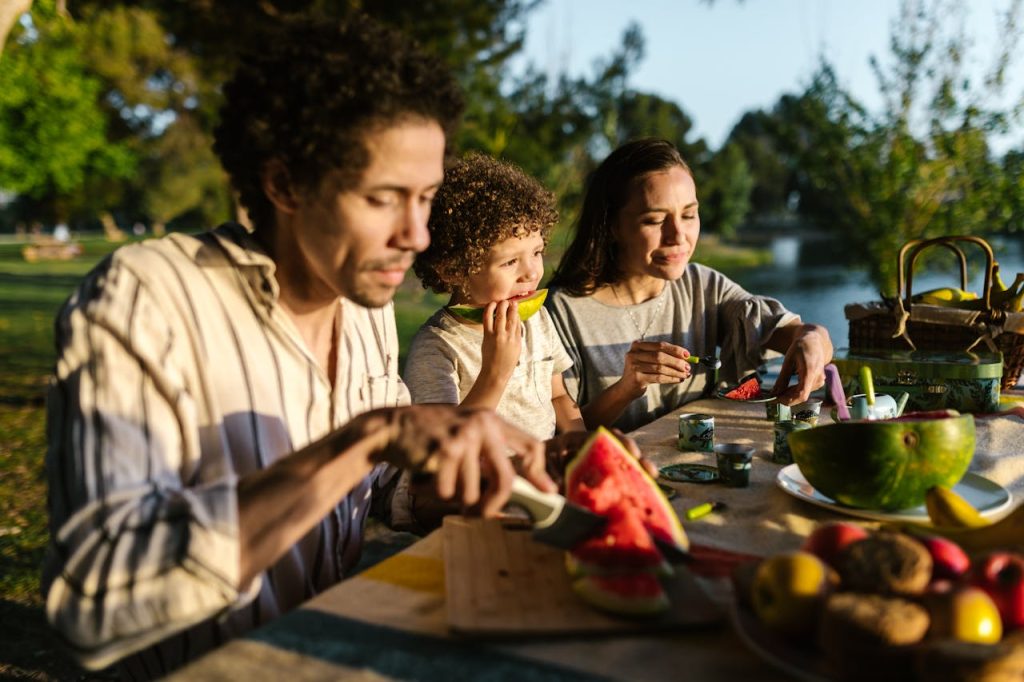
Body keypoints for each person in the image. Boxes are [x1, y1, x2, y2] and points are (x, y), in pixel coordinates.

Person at [42, 16, 558, 678]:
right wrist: (365, 438)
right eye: (383, 199)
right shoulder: (142, 302)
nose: (418, 236)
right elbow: (95, 602)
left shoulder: (362, 302)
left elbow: (383, 487)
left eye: (425, 200)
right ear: (285, 185)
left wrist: (461, 479)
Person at [546, 138, 833, 433]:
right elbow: (564, 434)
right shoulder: (562, 312)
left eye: (688, 215)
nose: (678, 235)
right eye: (655, 220)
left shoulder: (703, 286)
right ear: (612, 226)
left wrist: (813, 336)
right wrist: (626, 388)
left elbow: (790, 333)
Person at [404, 153, 585, 440]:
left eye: (537, 253)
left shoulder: (537, 319)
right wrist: (494, 372)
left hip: (543, 474)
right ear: (453, 270)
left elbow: (558, 395)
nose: (531, 273)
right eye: (510, 262)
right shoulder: (437, 348)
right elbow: (443, 446)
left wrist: (581, 443)